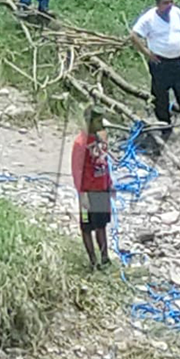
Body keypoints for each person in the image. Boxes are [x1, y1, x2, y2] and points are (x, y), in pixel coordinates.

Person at [130, 0, 180, 150]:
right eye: (166, 3)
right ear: (158, 4)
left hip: (178, 61)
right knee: (160, 94)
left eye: (171, 2)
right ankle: (165, 126)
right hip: (160, 63)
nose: (169, 5)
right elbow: (134, 35)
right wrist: (147, 53)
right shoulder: (149, 18)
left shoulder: (177, 13)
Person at [71, 106, 114, 270]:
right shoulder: (80, 143)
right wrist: (81, 193)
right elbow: (77, 170)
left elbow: (105, 162)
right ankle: (92, 261)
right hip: (87, 191)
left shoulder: (102, 138)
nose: (101, 124)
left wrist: (109, 183)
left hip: (101, 189)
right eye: (98, 121)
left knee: (101, 225)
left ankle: (105, 258)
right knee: (87, 226)